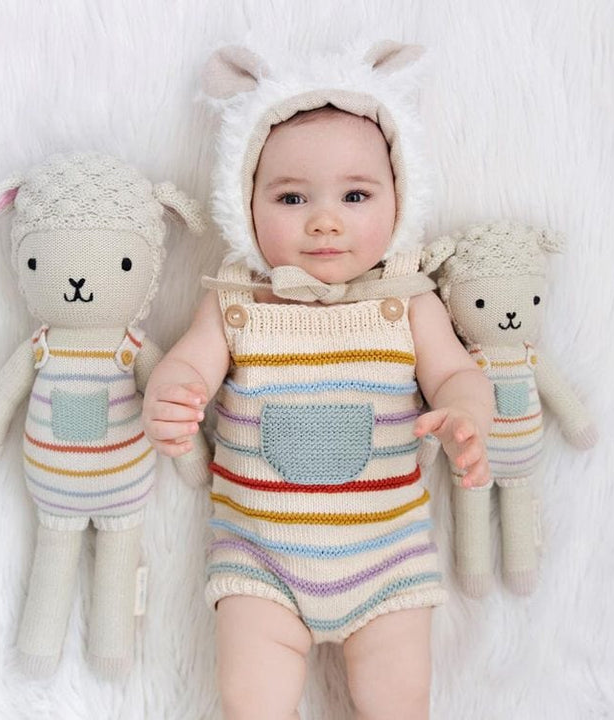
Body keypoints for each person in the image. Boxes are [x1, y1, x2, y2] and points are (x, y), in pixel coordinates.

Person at [143, 42, 493, 720]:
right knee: (250, 698)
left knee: (399, 699)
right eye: (291, 197)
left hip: (386, 561)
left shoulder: (407, 299)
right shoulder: (237, 300)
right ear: (244, 203)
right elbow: (187, 364)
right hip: (260, 563)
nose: (324, 220)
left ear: (401, 198)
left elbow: (457, 373)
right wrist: (172, 393)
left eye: (355, 195)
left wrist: (464, 414)